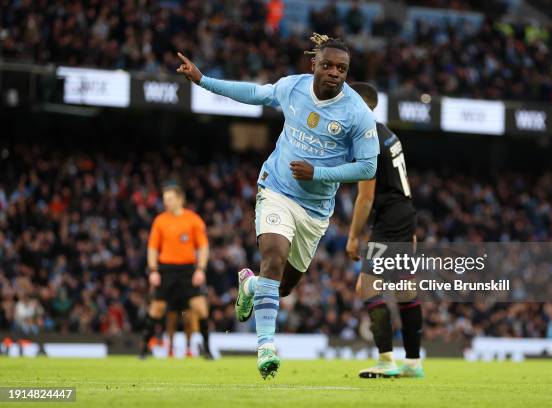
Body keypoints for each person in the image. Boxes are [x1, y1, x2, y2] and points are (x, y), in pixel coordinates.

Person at [177, 33, 379, 378]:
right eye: (328, 65)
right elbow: (256, 94)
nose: (334, 73)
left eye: (342, 68)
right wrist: (203, 80)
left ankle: (251, 285)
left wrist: (320, 173)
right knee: (273, 256)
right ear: (314, 63)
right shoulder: (293, 87)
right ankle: (266, 346)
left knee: (282, 286)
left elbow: (368, 167)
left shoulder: (358, 113)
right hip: (277, 189)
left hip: (315, 211)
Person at [346, 82, 424, 378]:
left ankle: (386, 361)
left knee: (366, 286)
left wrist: (353, 236)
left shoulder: (367, 137)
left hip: (390, 219)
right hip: (404, 214)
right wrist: (411, 227)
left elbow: (365, 196)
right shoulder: (389, 134)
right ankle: (413, 363)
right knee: (405, 288)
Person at [140, 184, 212, 359]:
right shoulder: (160, 220)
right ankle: (143, 350)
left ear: (180, 199)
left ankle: (207, 350)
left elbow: (203, 247)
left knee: (201, 309)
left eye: (169, 199)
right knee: (156, 309)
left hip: (188, 270)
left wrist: (200, 269)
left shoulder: (193, 219)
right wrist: (154, 270)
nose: (166, 202)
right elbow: (152, 248)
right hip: (166, 270)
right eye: (165, 199)